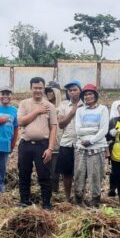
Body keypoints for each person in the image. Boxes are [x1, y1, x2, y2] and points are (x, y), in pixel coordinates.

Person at [17, 77, 58, 210]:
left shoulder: (50, 106)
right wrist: (37, 111)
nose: (38, 91)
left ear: (43, 89)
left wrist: (50, 148)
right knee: (24, 173)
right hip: (26, 145)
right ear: (31, 88)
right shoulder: (24, 103)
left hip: (43, 146)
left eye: (40, 88)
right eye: (35, 88)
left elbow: (53, 128)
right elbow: (21, 121)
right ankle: (24, 200)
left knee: (45, 175)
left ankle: (46, 202)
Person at [73, 84, 109, 208]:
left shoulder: (103, 109)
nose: (88, 96)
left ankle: (95, 202)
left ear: (95, 95)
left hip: (96, 148)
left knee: (96, 175)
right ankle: (78, 200)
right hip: (81, 148)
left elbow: (103, 129)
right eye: (85, 94)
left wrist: (91, 140)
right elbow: (78, 130)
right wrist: (94, 129)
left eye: (90, 94)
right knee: (79, 174)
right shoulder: (80, 110)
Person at [56, 79, 82, 202]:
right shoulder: (63, 106)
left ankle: (79, 197)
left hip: (82, 144)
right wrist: (72, 112)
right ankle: (68, 197)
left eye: (75, 90)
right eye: (70, 90)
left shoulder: (86, 105)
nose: (72, 92)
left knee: (81, 172)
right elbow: (61, 124)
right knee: (67, 173)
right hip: (66, 143)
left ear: (80, 91)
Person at [0, 86, 19, 193]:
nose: (5, 96)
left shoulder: (14, 110)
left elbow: (16, 129)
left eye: (8, 94)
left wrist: (12, 145)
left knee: (1, 171)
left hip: (5, 145)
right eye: (3, 94)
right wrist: (1, 120)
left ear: (11, 96)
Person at [44, 81, 64, 193]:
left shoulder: (62, 107)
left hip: (58, 143)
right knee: (45, 170)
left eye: (51, 91)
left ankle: (54, 192)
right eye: (47, 91)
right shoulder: (44, 107)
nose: (49, 93)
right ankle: (46, 191)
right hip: (45, 142)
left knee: (55, 172)